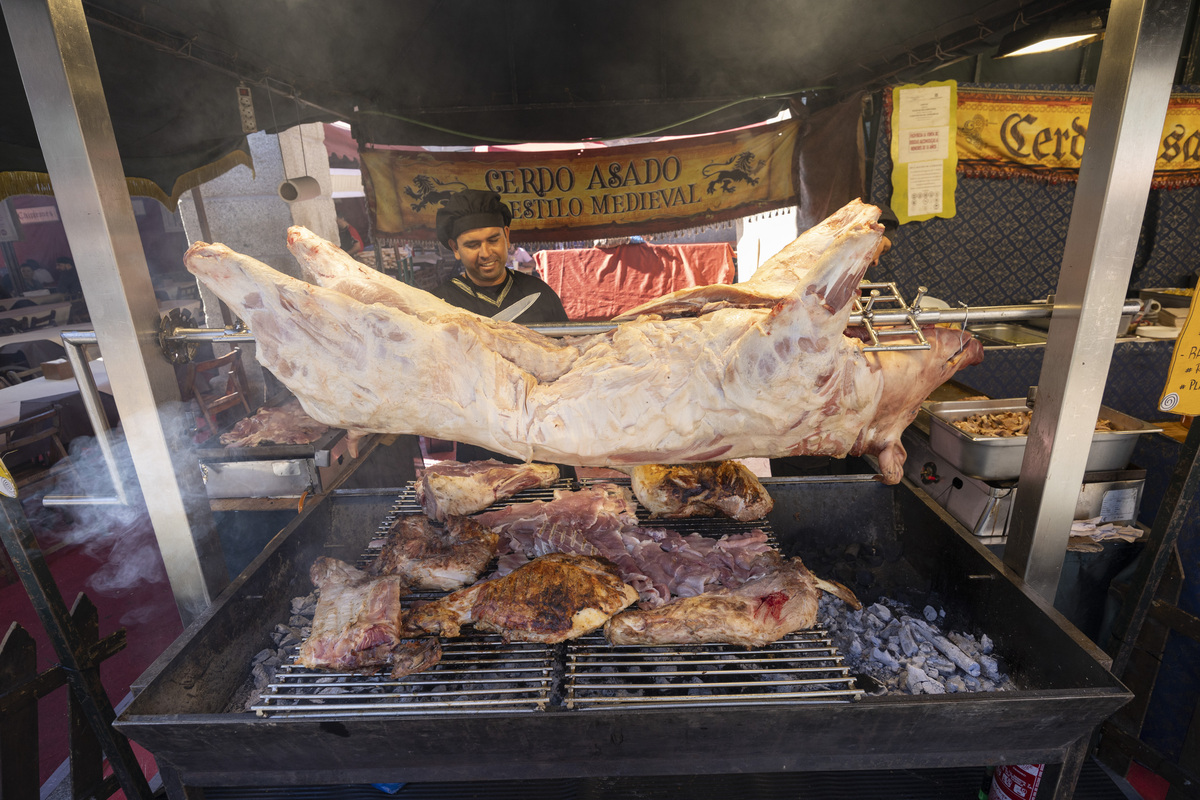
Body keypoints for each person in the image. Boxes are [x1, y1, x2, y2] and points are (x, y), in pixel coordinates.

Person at [430, 189, 573, 475]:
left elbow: (568, 362)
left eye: (493, 240)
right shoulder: (439, 304)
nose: (486, 253)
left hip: (546, 440)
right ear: (455, 247)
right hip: (482, 445)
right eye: (472, 244)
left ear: (507, 235)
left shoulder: (539, 293)